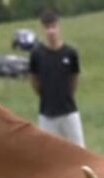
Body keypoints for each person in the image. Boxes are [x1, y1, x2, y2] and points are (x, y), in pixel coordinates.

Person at [28, 10, 84, 147]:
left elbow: (74, 78)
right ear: (42, 29)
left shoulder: (70, 53)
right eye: (47, 28)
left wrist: (67, 95)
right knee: (49, 153)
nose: (51, 31)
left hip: (69, 111)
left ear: (59, 27)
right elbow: (34, 80)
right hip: (47, 114)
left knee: (79, 150)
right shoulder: (37, 54)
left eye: (53, 27)